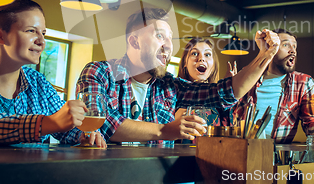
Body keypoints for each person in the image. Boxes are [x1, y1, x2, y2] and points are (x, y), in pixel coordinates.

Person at [76, 8, 280, 143]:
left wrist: (266, 54)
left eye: (170, 39)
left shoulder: (169, 86)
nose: (168, 46)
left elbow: (226, 92)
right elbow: (99, 121)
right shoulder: (99, 73)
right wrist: (165, 130)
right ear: (135, 42)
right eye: (159, 36)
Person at [0, 0, 106, 147]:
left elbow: (66, 129)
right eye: (31, 31)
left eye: (43, 33)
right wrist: (44, 124)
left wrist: (85, 135)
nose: (42, 41)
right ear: (0, 36)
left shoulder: (38, 83)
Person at [233, 28, 314, 143]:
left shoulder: (303, 83)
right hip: (241, 150)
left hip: (277, 156)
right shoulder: (249, 76)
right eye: (286, 45)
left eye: (295, 46)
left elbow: (312, 133)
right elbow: (229, 117)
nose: (293, 51)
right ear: (270, 48)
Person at [175, 37, 236, 126]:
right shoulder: (172, 94)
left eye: (207, 54)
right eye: (195, 53)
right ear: (185, 62)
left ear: (214, 65)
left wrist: (229, 89)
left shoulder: (218, 98)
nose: (201, 58)